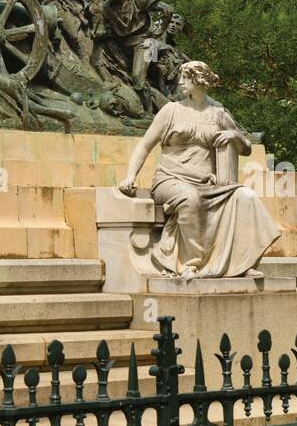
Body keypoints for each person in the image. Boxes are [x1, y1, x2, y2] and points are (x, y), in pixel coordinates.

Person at [118, 60, 281, 279]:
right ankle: (191, 264)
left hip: (208, 183)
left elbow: (247, 149)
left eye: (186, 78)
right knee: (190, 198)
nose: (180, 82)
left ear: (199, 81)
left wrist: (235, 135)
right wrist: (130, 176)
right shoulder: (171, 111)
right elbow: (145, 145)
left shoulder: (218, 113)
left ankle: (243, 263)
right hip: (170, 180)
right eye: (181, 77)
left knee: (246, 196)